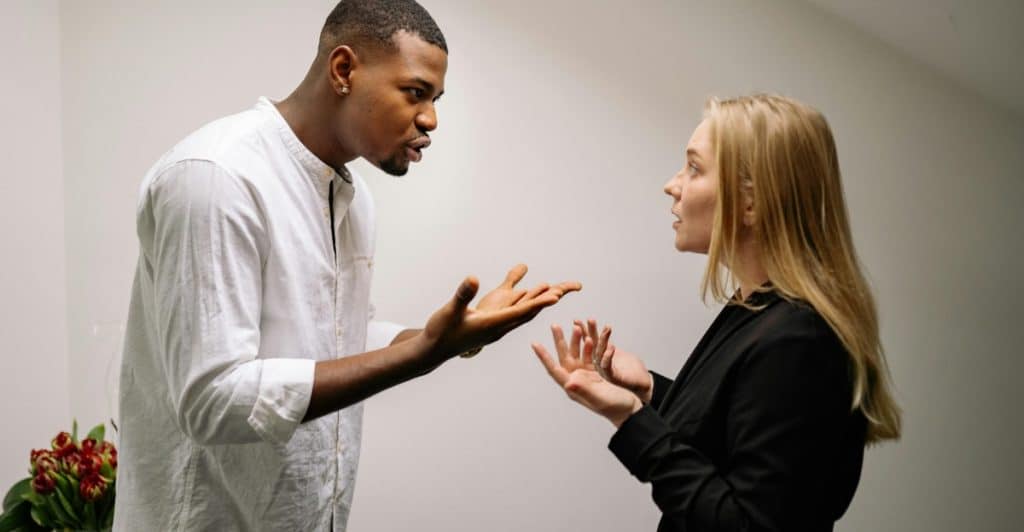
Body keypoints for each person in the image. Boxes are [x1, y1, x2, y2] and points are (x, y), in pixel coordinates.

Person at [115, 1, 579, 530]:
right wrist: (422, 355)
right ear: (344, 70)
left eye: (435, 98)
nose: (431, 118)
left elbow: (337, 341)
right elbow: (212, 400)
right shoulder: (217, 177)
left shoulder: (353, 199)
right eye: (415, 92)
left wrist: (446, 336)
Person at [532, 94, 901, 532]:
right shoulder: (758, 311)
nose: (673, 185)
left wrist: (630, 419)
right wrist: (650, 392)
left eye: (694, 168)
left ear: (751, 203)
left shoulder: (799, 341)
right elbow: (734, 436)